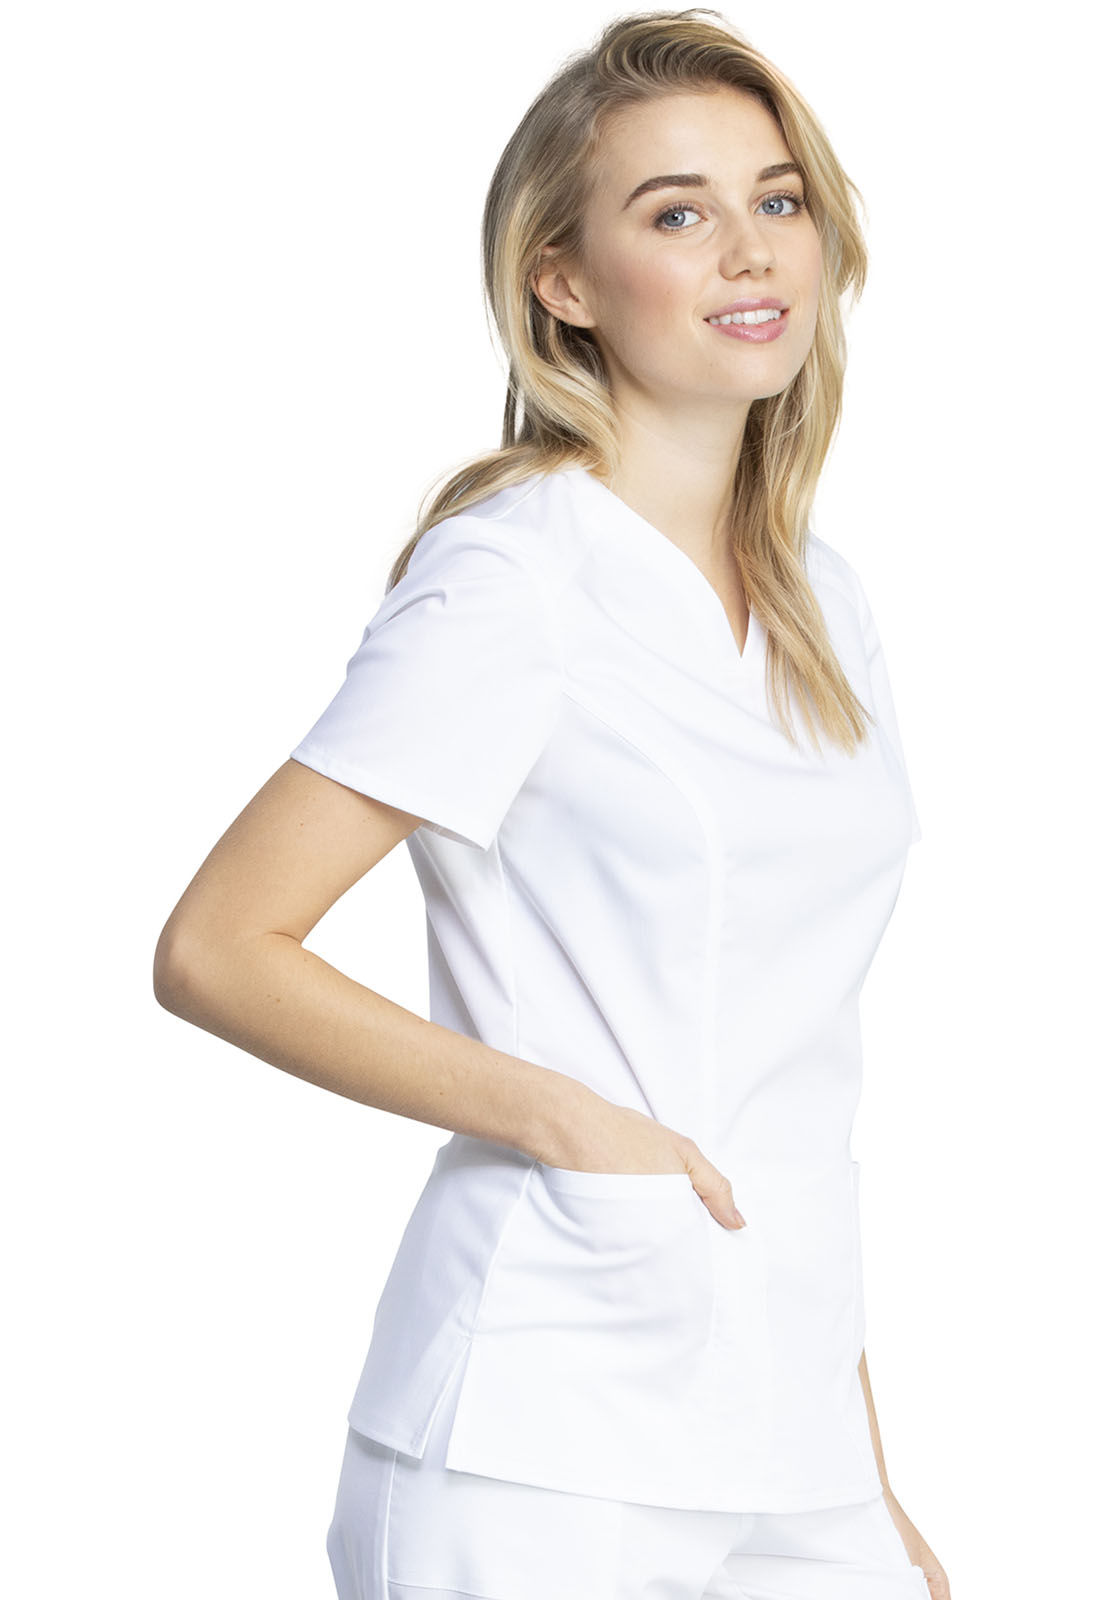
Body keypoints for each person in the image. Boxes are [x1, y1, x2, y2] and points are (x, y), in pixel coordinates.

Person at [153, 10, 951, 1599]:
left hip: (790, 1430)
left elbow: (789, 1060)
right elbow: (219, 946)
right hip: (542, 1435)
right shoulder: (512, 579)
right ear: (564, 283)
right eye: (678, 213)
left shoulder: (824, 600)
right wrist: (564, 1120)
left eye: (778, 199)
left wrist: (873, 1487)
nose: (751, 250)